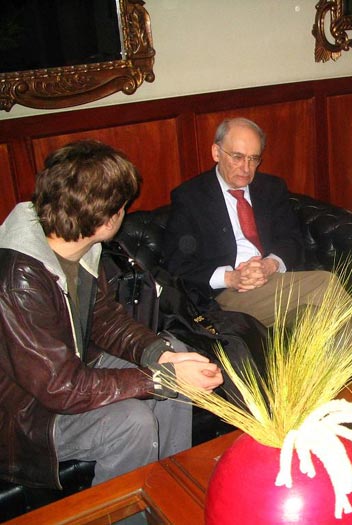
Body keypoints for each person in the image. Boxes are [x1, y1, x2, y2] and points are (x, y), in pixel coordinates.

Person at [0, 140, 223, 490]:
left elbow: (105, 319)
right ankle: (124, 510)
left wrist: (161, 356)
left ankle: (170, 488)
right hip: (30, 410)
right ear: (105, 217)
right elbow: (59, 387)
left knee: (177, 355)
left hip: (73, 372)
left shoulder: (79, 247)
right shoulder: (20, 281)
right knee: (132, 421)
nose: (125, 211)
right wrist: (161, 378)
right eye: (122, 205)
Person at [163, 117, 352, 336]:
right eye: (237, 157)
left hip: (272, 280)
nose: (246, 168)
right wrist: (232, 277)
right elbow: (176, 265)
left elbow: (292, 240)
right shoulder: (190, 197)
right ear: (216, 153)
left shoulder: (270, 188)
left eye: (253, 159)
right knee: (325, 283)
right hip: (227, 294)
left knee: (314, 316)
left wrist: (269, 265)